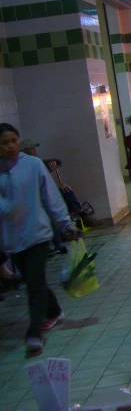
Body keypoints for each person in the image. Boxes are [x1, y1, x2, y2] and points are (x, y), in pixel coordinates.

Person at [0, 123, 81, 351]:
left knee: (33, 285)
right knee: (33, 280)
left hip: (37, 234)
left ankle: (34, 333)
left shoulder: (33, 165)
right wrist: (7, 207)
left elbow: (51, 198)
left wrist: (67, 224)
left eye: (13, 141)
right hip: (13, 240)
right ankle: (54, 310)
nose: (10, 146)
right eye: (4, 143)